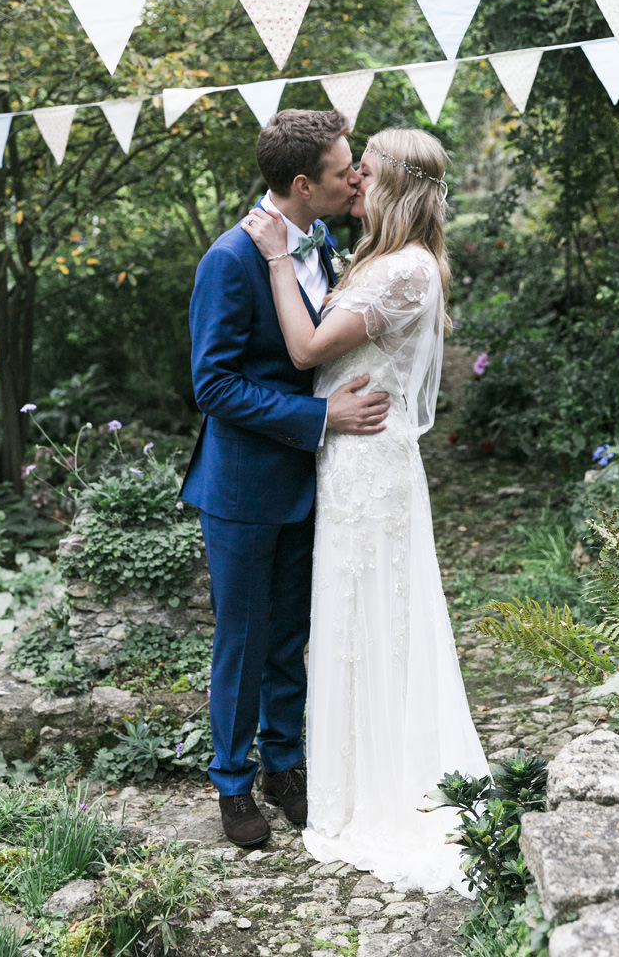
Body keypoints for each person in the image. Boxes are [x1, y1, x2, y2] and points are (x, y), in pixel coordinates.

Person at [242, 127, 490, 895]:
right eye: (351, 173)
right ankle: (353, 777)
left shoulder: (407, 270)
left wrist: (279, 255)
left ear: (394, 187)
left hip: (370, 466)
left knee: (377, 623)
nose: (354, 184)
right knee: (348, 624)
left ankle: (388, 786)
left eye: (365, 174)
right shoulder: (378, 260)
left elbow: (311, 349)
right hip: (345, 461)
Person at [181, 109, 390, 849]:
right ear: (303, 185)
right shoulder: (230, 259)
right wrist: (321, 419)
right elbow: (213, 385)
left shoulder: (325, 241)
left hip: (311, 482)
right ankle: (232, 784)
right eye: (343, 172)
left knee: (289, 637)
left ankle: (286, 766)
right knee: (242, 638)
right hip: (241, 488)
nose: (356, 178)